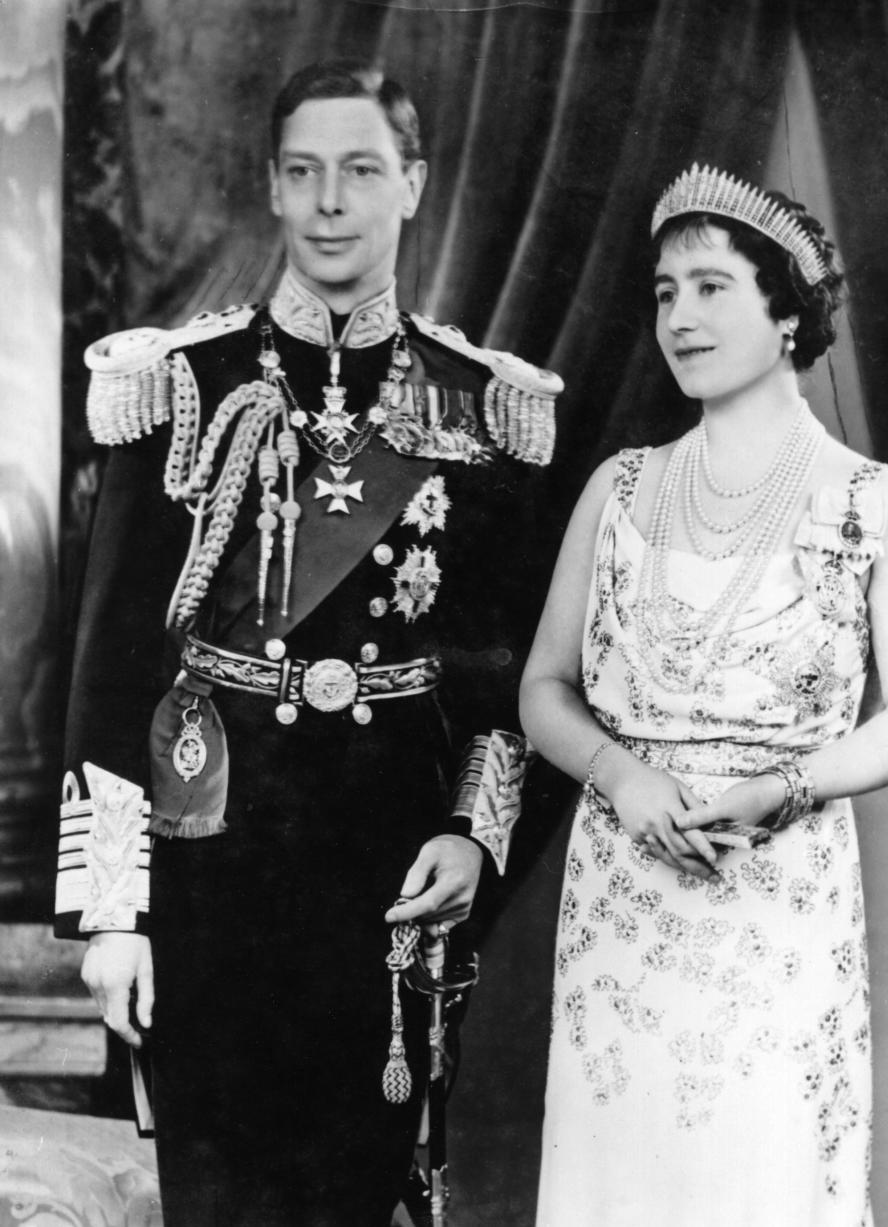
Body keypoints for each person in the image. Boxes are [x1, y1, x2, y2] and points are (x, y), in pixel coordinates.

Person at [54, 60, 561, 1227]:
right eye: (305, 173)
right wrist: (116, 915)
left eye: (362, 171)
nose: (333, 201)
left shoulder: (477, 407)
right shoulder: (179, 385)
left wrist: (473, 838)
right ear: (275, 193)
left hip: (385, 875)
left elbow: (502, 679)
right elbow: (111, 665)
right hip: (210, 867)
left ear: (413, 186)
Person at [521, 163, 888, 1226]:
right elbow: (544, 687)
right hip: (622, 898)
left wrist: (787, 789)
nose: (681, 317)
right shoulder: (619, 490)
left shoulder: (871, 504)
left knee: (758, 1182)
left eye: (712, 287)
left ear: (788, 308)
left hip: (778, 898)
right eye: (666, 293)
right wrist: (618, 774)